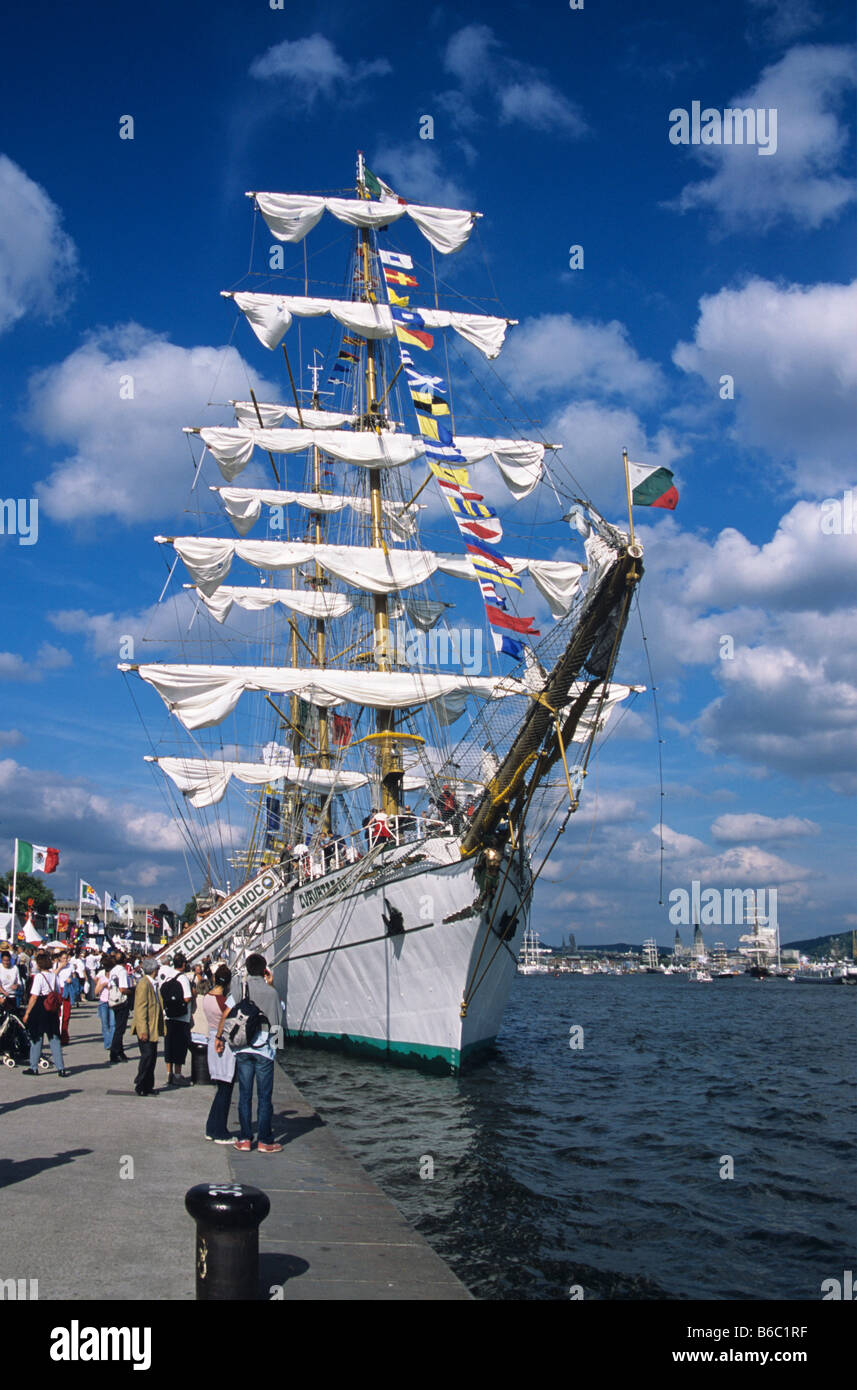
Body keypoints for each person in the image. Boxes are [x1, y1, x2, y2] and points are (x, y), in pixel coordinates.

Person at [216, 953, 283, 1154]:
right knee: (264, 1096)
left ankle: (245, 1138)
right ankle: (264, 1140)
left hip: (242, 1046)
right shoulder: (272, 993)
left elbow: (227, 1011)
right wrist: (276, 1050)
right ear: (265, 971)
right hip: (264, 1049)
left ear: (247, 968)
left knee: (244, 1094)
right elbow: (276, 1023)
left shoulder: (240, 988)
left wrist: (220, 1038)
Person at [21, 951, 69, 1076]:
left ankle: (34, 1066)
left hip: (40, 1007)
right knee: (54, 1038)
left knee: (37, 1038)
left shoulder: (39, 977)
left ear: (39, 964)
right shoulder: (54, 976)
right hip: (52, 1009)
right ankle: (61, 1068)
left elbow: (34, 997)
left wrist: (27, 1013)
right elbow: (58, 991)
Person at [203, 965, 236, 1143]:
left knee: (220, 1088)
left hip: (211, 1041)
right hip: (223, 1045)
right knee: (225, 1089)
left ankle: (211, 1127)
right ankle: (220, 1131)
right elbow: (228, 1018)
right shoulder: (224, 1001)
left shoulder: (207, 997)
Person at [131, 958, 164, 1096]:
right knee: (147, 1056)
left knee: (152, 1057)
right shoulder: (144, 984)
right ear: (154, 970)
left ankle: (148, 1085)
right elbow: (140, 1008)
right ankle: (140, 1083)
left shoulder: (153, 984)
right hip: (146, 1027)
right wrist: (142, 1030)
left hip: (153, 1026)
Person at [162, 952, 192, 1086]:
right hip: (182, 1017)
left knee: (169, 1045)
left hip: (168, 1015)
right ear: (184, 964)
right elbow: (187, 998)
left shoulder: (168, 976)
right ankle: (178, 1074)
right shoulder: (183, 978)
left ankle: (169, 1073)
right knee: (180, 1046)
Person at [108, 951, 133, 1063]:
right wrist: (132, 991)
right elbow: (123, 989)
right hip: (121, 1001)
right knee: (120, 1029)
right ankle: (114, 1052)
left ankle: (120, 1051)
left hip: (113, 1000)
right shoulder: (122, 971)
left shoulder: (113, 970)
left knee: (119, 1027)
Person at [93, 954, 115, 1051]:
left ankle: (111, 1042)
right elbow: (96, 992)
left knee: (113, 1024)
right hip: (103, 1002)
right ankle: (108, 1043)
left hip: (113, 1002)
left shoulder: (114, 978)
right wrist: (102, 985)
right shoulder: (102, 978)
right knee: (105, 1024)